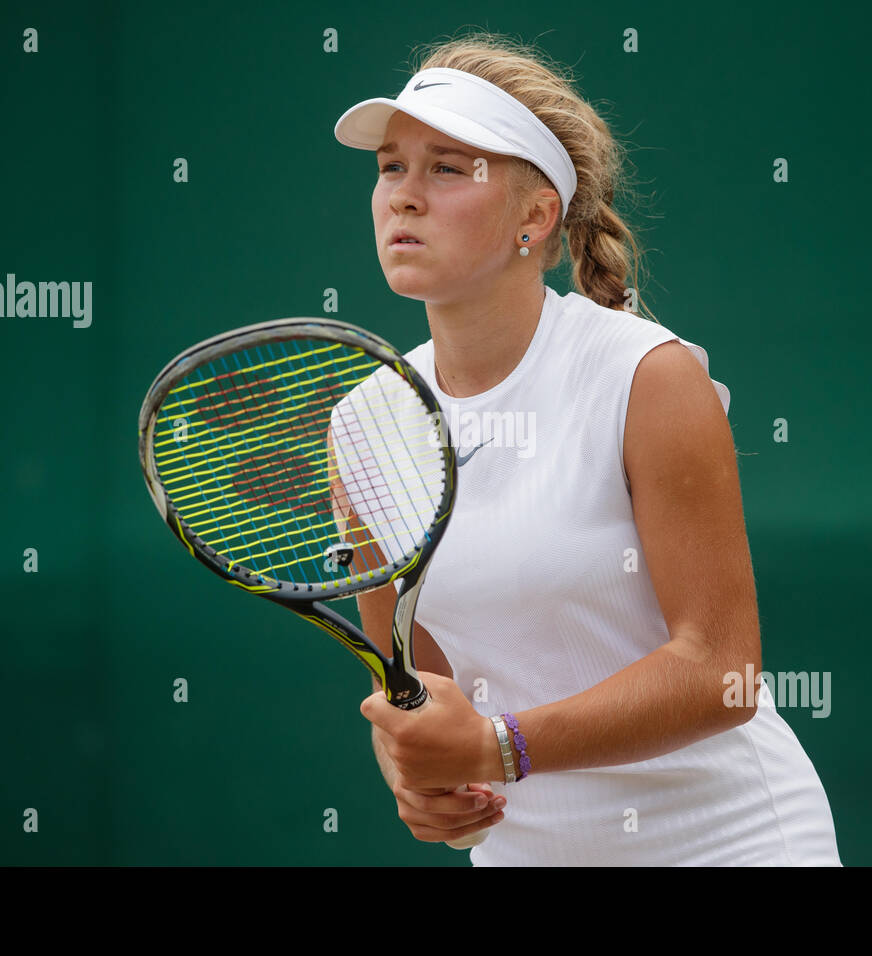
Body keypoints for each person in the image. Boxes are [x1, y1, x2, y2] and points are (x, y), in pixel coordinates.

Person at [333, 33, 842, 866]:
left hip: (733, 844)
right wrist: (419, 774)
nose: (404, 197)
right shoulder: (365, 425)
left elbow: (722, 670)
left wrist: (500, 748)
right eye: (392, 167)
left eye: (448, 168)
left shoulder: (647, 376)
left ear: (534, 216)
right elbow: (424, 690)